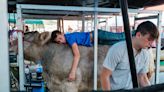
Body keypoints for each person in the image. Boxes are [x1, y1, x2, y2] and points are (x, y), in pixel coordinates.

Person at [100, 21, 159, 91]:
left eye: (153, 41)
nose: (151, 44)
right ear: (138, 35)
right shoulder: (118, 49)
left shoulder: (145, 54)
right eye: (149, 40)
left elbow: (142, 77)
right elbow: (105, 75)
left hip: (131, 90)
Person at [51, 29, 125, 81]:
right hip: (96, 40)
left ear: (62, 33)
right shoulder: (68, 39)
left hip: (97, 35)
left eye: (60, 38)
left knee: (120, 37)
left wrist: (72, 72)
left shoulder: (69, 38)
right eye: (59, 41)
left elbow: (77, 55)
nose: (61, 41)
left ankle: (136, 33)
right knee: (119, 41)